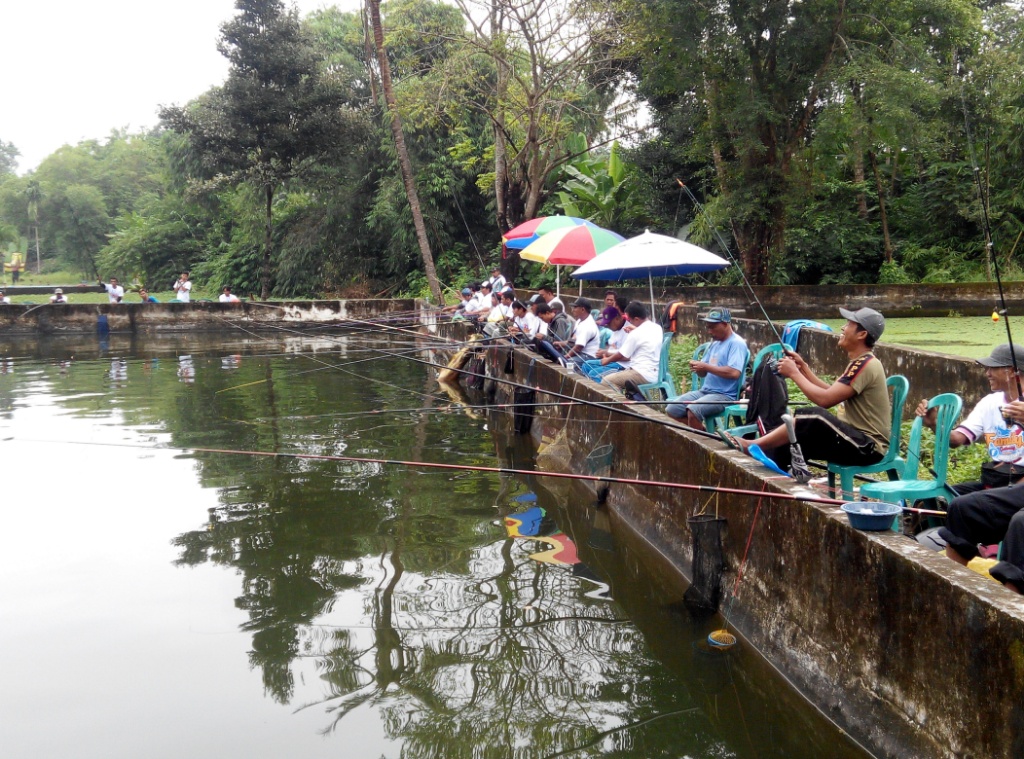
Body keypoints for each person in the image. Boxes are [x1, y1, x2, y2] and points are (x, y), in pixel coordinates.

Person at [724, 307, 890, 467]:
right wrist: (803, 367)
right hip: (851, 438)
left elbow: (825, 400)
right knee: (795, 436)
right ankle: (772, 465)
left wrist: (794, 373)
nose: (843, 328)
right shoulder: (861, 362)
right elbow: (830, 391)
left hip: (867, 446)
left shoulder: (865, 364)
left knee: (814, 416)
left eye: (848, 324)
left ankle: (752, 445)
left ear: (862, 334)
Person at [918, 343, 1024, 494]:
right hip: (997, 481)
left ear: (1012, 371)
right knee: (933, 498)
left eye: (993, 368)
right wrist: (934, 424)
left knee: (964, 504)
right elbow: (956, 440)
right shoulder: (989, 402)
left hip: (1018, 486)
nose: (987, 373)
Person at [666, 307, 749, 429]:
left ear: (725, 324)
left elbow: (734, 373)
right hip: (705, 391)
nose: (709, 331)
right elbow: (703, 373)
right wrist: (699, 368)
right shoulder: (714, 344)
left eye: (712, 327)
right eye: (708, 327)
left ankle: (699, 438)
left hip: (725, 395)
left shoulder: (736, 343)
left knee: (693, 410)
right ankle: (704, 433)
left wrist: (705, 366)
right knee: (672, 409)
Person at [599, 301, 665, 396]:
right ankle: (632, 397)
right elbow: (645, 335)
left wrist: (607, 360)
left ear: (636, 319)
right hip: (654, 373)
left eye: (630, 320)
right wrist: (635, 329)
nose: (629, 322)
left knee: (606, 381)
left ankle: (621, 402)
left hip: (641, 374)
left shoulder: (635, 334)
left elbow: (621, 355)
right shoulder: (657, 327)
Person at [559, 298, 600, 368]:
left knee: (565, 364)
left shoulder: (588, 325)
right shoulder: (579, 321)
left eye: (575, 307)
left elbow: (578, 347)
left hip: (588, 356)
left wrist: (566, 357)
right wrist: (560, 343)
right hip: (580, 354)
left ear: (583, 309)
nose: (572, 310)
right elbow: (573, 341)